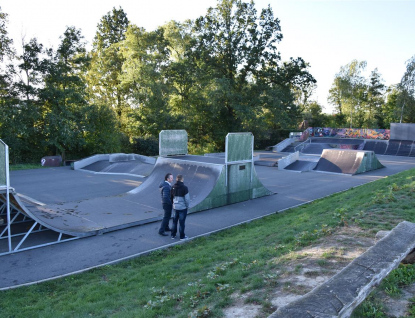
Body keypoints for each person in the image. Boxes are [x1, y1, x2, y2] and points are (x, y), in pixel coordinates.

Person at [171, 174, 190, 240]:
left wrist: (173, 204)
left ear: (176, 179)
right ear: (182, 179)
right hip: (182, 208)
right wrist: (187, 206)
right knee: (182, 223)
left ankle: (173, 235)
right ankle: (182, 236)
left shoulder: (173, 187)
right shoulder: (185, 188)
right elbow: (187, 199)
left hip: (175, 207)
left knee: (174, 221)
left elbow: (171, 197)